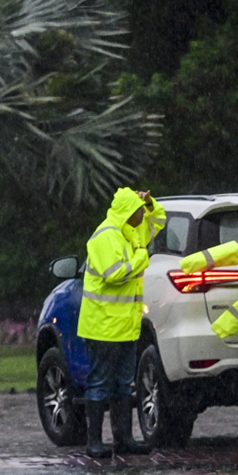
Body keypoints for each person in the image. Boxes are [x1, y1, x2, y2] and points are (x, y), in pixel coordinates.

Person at [78, 187, 165, 457]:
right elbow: (114, 274)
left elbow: (159, 221)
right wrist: (142, 257)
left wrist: (150, 203)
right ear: (129, 213)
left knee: (123, 385)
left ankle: (123, 439)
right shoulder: (107, 236)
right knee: (100, 384)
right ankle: (94, 443)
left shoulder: (130, 231)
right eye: (139, 210)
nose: (143, 215)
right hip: (103, 327)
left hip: (125, 328)